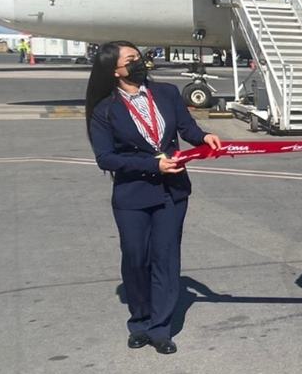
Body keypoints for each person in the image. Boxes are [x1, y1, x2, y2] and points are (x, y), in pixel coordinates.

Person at [85, 41, 222, 354]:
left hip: (171, 192)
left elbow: (186, 127)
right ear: (115, 70)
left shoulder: (167, 93)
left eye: (138, 57)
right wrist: (151, 164)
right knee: (136, 259)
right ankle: (140, 320)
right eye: (130, 59)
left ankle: (160, 328)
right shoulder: (105, 109)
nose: (139, 62)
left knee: (165, 258)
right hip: (132, 194)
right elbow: (105, 158)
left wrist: (203, 137)